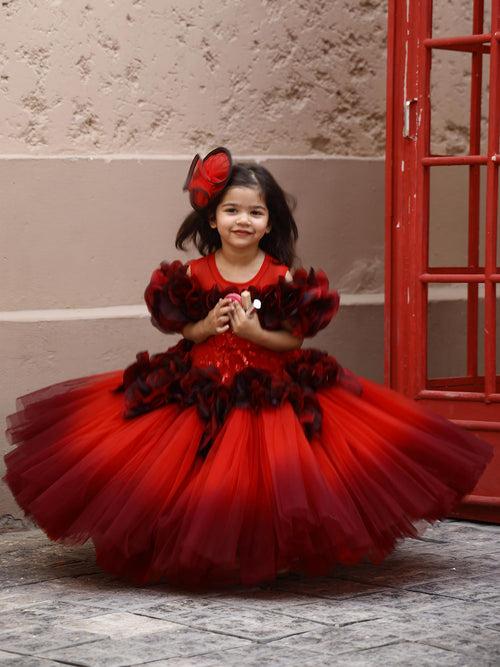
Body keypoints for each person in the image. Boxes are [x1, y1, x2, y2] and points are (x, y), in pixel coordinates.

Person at [2, 146, 494, 590]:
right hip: (198, 387)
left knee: (272, 477)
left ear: (270, 222)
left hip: (271, 388)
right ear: (212, 219)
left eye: (255, 212)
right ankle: (186, 547)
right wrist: (204, 327)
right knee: (187, 475)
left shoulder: (284, 277)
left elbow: (294, 338)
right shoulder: (192, 274)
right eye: (232, 210)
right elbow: (182, 329)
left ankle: (273, 550)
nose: (243, 220)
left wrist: (257, 335)